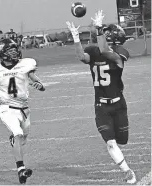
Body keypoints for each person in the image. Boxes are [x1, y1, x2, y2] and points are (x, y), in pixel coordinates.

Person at [66, 10, 136, 184]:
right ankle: (127, 171)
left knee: (122, 140)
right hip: (101, 106)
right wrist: (76, 38)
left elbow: (106, 51)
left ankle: (124, 163)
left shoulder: (120, 53)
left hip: (119, 104)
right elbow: (82, 57)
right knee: (111, 143)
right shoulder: (94, 51)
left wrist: (98, 28)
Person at [0, 38, 45, 184]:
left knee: (23, 138)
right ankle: (21, 169)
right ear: (2, 53)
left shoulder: (25, 65)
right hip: (7, 108)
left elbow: (37, 80)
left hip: (24, 109)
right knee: (18, 134)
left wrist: (38, 84)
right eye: (10, 50)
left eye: (15, 49)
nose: (14, 52)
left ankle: (14, 141)